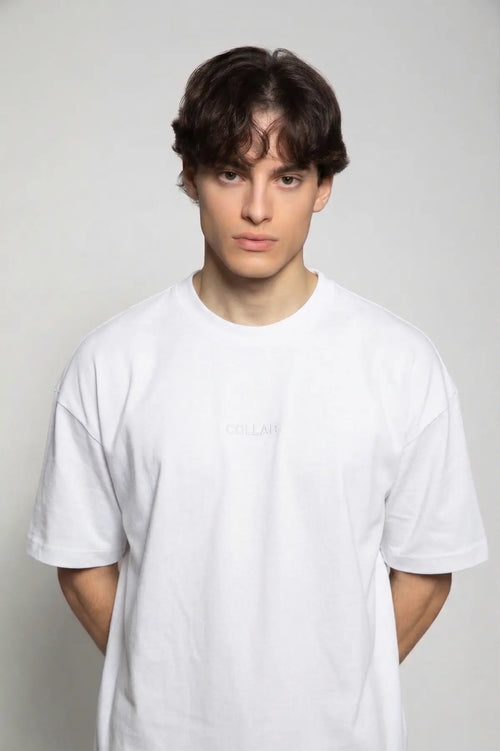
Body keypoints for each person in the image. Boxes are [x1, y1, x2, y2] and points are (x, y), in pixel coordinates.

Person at [26, 46, 489, 751]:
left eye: (288, 177)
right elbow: (81, 556)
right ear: (191, 177)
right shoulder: (112, 362)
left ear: (322, 187)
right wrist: (167, 679)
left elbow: (427, 567)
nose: (257, 208)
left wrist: (332, 689)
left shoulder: (400, 364)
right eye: (231, 172)